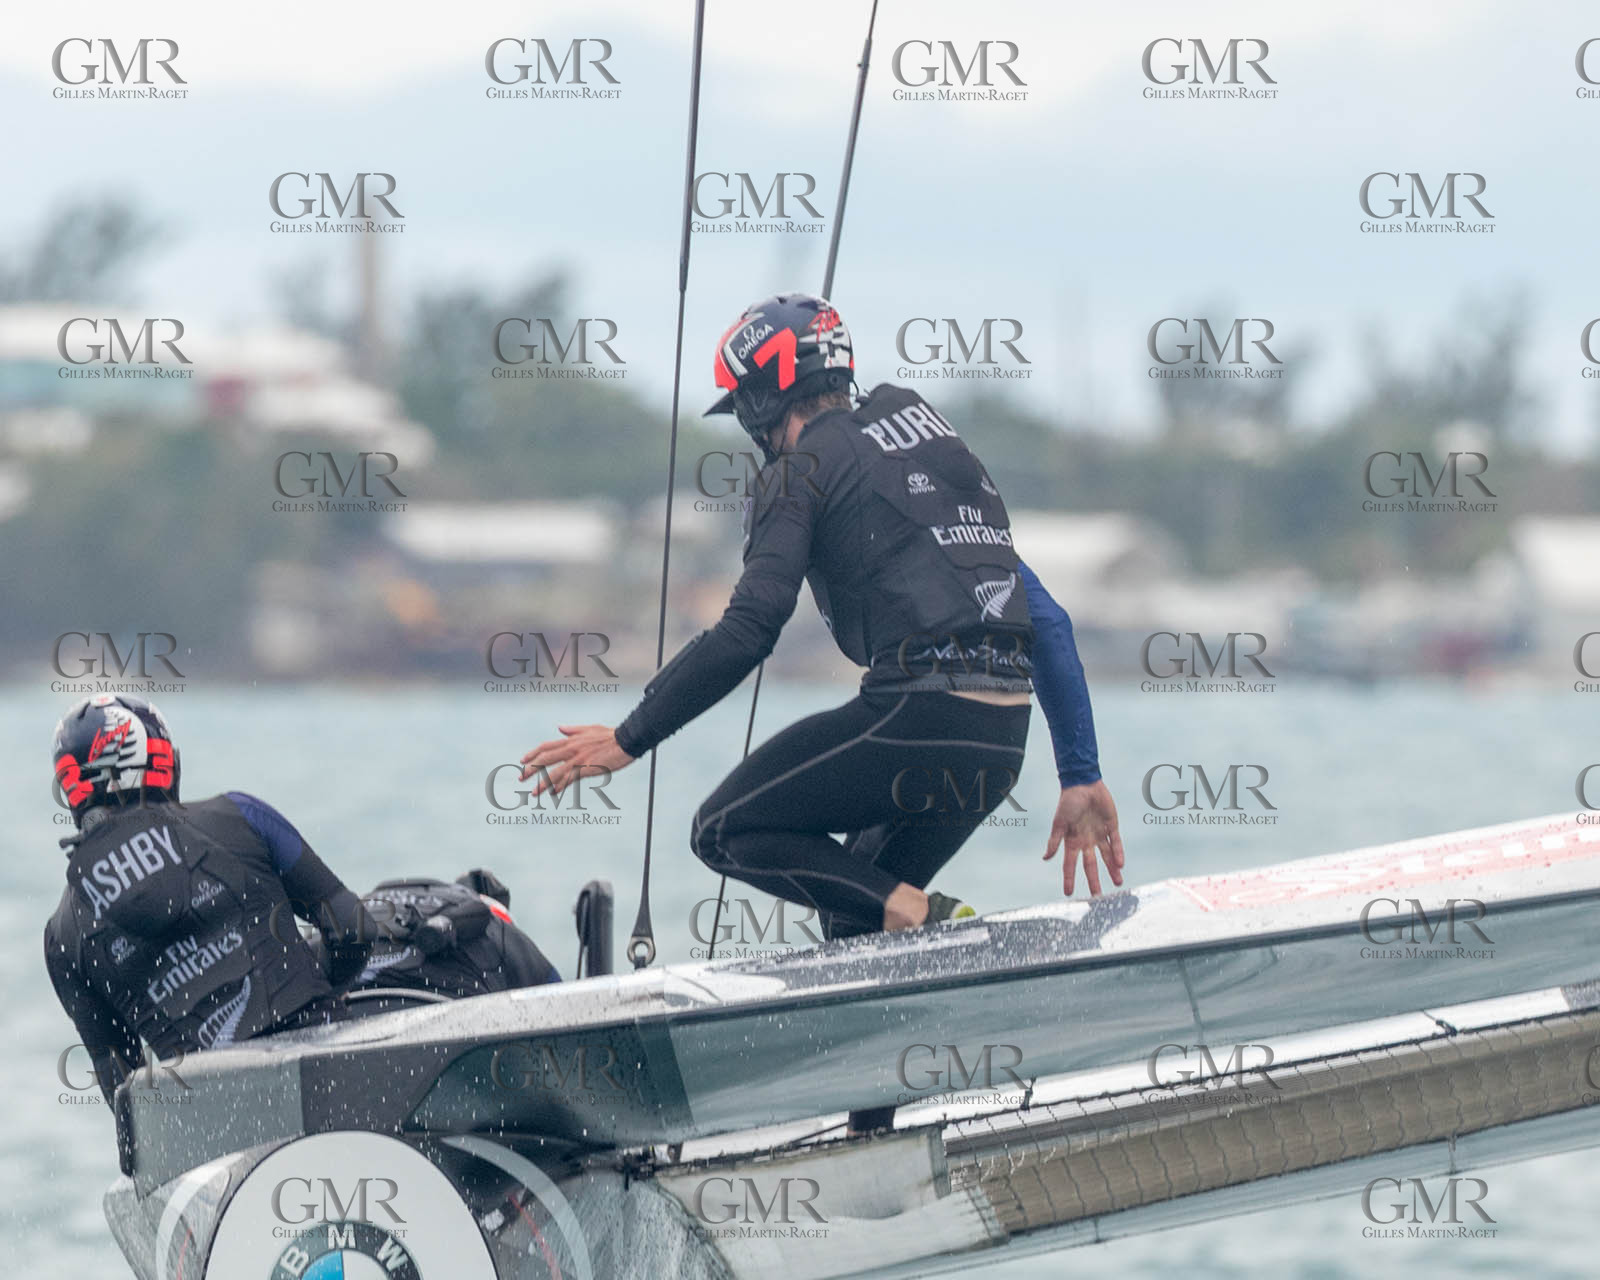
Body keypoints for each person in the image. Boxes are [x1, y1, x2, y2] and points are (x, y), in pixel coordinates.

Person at [519, 292, 1124, 940]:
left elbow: (750, 628)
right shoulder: (926, 444)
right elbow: (1049, 622)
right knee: (855, 913)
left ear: (761, 400)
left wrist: (628, 738)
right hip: (999, 745)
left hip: (919, 718)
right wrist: (1080, 774)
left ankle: (933, 919)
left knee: (726, 829)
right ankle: (917, 986)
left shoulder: (796, 471)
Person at [44, 693, 377, 1104]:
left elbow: (124, 1094)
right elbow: (353, 927)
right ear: (162, 762)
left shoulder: (62, 934)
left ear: (72, 787)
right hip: (334, 1079)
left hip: (216, 1126)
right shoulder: (241, 815)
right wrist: (320, 986)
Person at [336, 869, 559, 1000]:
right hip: (449, 1019)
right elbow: (557, 1002)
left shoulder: (362, 912)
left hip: (343, 1008)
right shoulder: (492, 921)